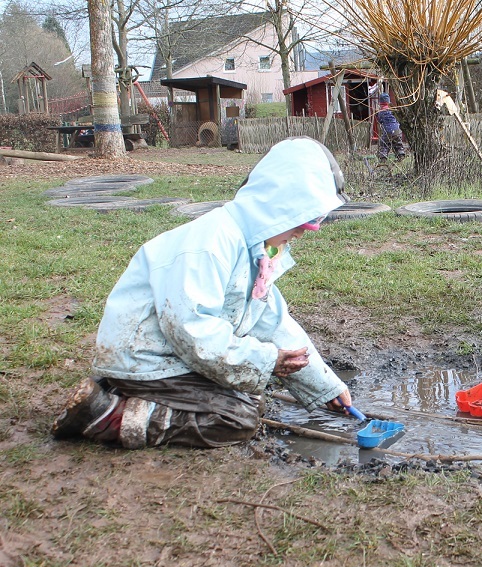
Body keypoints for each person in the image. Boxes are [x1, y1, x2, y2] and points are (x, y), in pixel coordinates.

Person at [52, 137, 357, 449]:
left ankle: (122, 394)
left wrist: (325, 386)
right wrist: (268, 361)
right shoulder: (212, 243)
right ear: (280, 204)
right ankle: (109, 416)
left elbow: (273, 323)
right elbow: (192, 329)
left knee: (248, 394)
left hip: (171, 355)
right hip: (146, 358)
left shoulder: (257, 250)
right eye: (306, 217)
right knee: (238, 415)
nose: (309, 228)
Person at [375, 92, 406, 162]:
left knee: (384, 145)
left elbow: (380, 120)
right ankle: (401, 156)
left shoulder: (381, 111)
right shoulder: (393, 109)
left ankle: (383, 158)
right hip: (397, 130)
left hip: (387, 131)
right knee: (398, 144)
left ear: (380, 102)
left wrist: (377, 115)